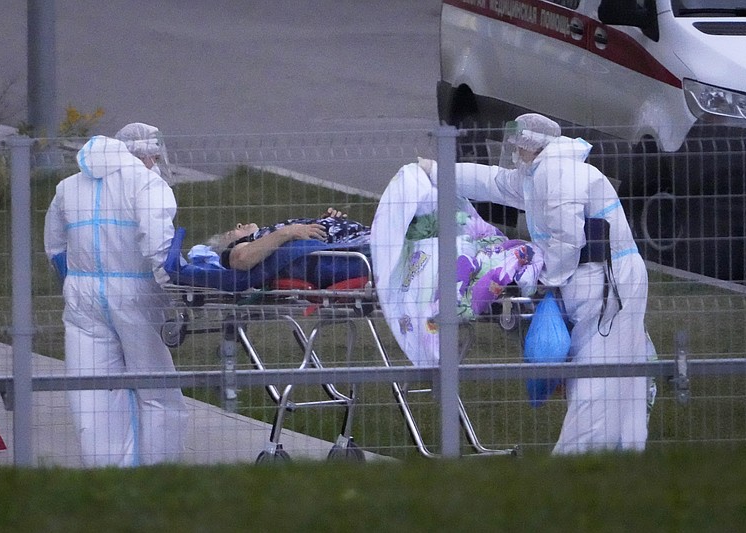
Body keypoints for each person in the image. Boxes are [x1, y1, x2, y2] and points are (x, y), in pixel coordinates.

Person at [419, 112, 656, 454]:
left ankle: (575, 468)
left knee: (598, 383)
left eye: (516, 146)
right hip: (596, 284)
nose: (513, 154)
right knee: (620, 381)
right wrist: (435, 171)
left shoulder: (558, 175)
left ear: (528, 146)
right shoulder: (539, 173)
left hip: (606, 287)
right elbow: (494, 182)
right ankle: (624, 457)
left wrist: (540, 279)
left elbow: (567, 241)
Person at [44, 123, 188, 467]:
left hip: (83, 298)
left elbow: (55, 248)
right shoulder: (148, 184)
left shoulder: (67, 187)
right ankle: (157, 477)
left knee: (93, 394)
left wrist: (78, 281)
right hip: (136, 293)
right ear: (150, 155)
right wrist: (176, 287)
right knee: (156, 392)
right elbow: (158, 248)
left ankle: (107, 479)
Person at [206, 208, 371, 270]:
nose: (239, 224)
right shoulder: (242, 248)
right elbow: (240, 259)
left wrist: (325, 221)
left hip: (362, 235)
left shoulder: (271, 235)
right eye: (231, 232)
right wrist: (289, 232)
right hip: (361, 246)